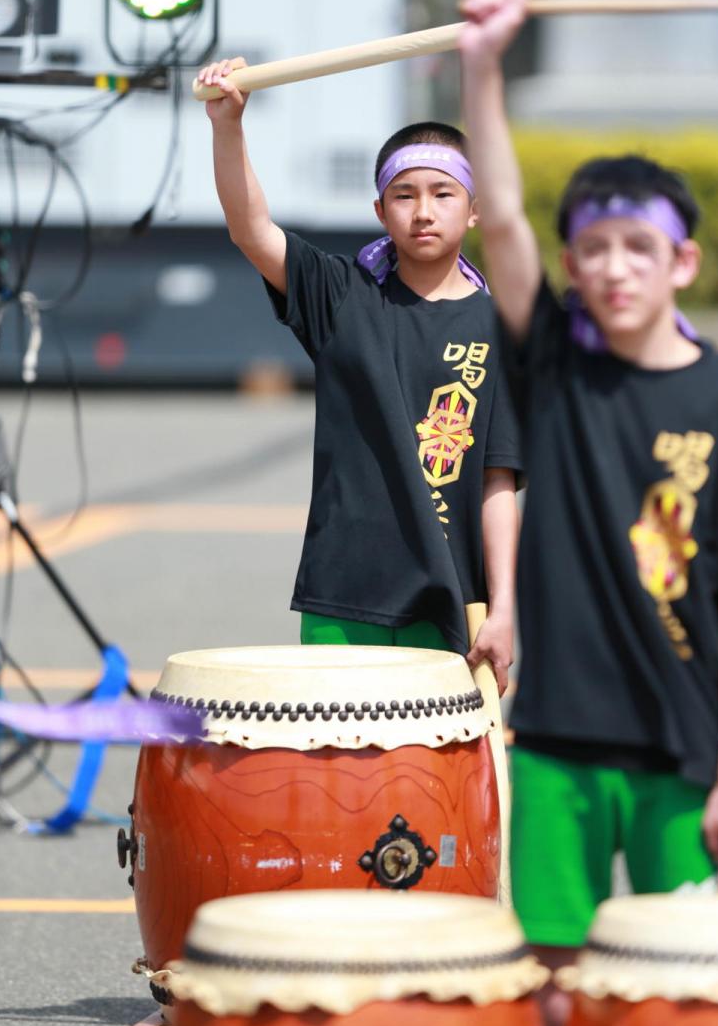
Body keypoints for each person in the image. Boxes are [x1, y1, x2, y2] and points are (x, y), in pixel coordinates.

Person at [459, 0, 718, 1026]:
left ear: (680, 262)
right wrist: (483, 61)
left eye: (637, 248)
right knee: (553, 998)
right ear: (570, 265)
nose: (612, 268)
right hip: (557, 739)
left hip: (683, 752)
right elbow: (500, 213)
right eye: (593, 248)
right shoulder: (554, 367)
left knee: (681, 998)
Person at [198, 57, 521, 689]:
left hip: (451, 602)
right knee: (336, 753)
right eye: (404, 195)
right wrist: (227, 125)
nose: (423, 211)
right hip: (342, 594)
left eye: (442, 193)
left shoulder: (500, 327)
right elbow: (251, 230)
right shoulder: (341, 295)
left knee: (436, 758)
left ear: (473, 209)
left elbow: (498, 482)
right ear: (380, 209)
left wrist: (504, 607)